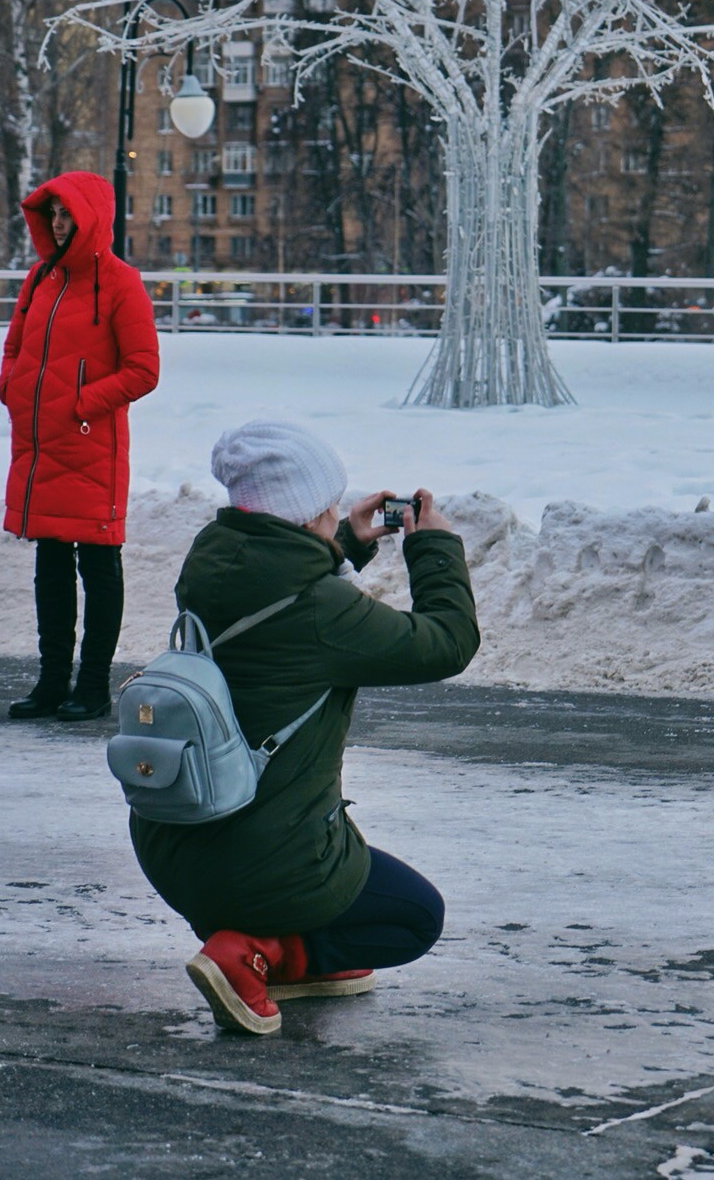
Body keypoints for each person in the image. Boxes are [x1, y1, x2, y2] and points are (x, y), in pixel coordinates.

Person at [133, 421, 480, 1036]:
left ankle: (249, 940)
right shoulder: (323, 611)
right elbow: (446, 645)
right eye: (325, 504)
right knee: (415, 917)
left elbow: (283, 583)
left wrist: (347, 541)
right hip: (265, 868)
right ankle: (267, 953)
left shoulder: (210, 565)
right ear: (302, 512)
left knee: (276, 870)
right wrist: (434, 548)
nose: (331, 512)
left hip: (174, 846)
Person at [0, 173, 160, 723]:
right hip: (41, 443)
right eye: (54, 214)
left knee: (97, 561)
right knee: (49, 563)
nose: (60, 224)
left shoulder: (120, 283)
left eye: (68, 213)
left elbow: (144, 370)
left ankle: (91, 685)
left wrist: (82, 402)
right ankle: (50, 681)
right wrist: (12, 388)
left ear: (92, 217)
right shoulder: (41, 277)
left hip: (92, 445)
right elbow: (15, 344)